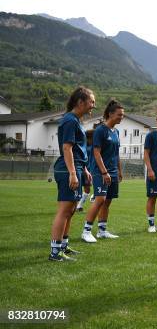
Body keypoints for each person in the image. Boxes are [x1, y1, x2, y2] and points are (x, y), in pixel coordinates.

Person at [49, 86, 95, 261]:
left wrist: (83, 169)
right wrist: (73, 173)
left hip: (75, 167)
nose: (93, 105)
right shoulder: (69, 120)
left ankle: (63, 247)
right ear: (80, 102)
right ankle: (55, 253)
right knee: (64, 210)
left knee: (71, 210)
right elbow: (67, 148)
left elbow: (76, 149)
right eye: (91, 101)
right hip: (67, 169)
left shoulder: (75, 120)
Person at [80, 100, 124, 243]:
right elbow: (97, 153)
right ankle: (86, 231)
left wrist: (119, 170)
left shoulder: (116, 132)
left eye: (122, 115)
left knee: (107, 202)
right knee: (100, 199)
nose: (121, 117)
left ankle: (102, 231)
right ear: (110, 114)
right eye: (119, 115)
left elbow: (116, 153)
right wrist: (104, 172)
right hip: (100, 171)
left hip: (113, 171)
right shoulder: (100, 130)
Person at [76, 128, 95, 212]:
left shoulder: (93, 145)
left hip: (89, 169)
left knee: (87, 188)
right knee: (78, 188)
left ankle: (79, 206)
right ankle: (75, 205)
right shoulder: (84, 146)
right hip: (82, 168)